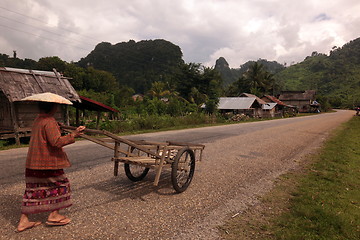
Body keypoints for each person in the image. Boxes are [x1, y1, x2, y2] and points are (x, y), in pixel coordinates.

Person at [17, 101, 85, 232]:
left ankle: (23, 220)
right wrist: (74, 134)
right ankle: (54, 215)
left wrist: (58, 127)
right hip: (48, 164)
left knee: (33, 191)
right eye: (56, 105)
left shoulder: (38, 119)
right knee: (61, 185)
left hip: (33, 163)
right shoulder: (49, 121)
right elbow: (56, 142)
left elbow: (47, 133)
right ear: (53, 107)